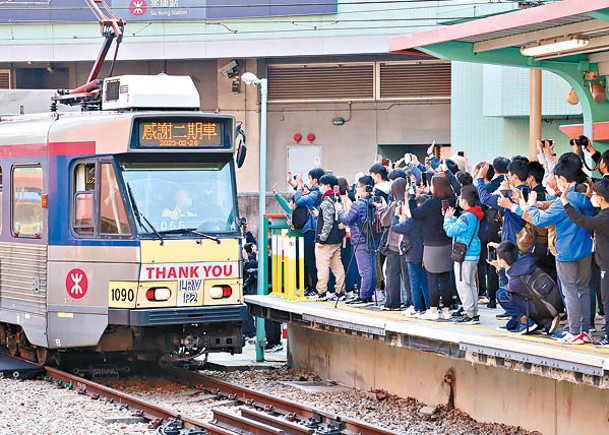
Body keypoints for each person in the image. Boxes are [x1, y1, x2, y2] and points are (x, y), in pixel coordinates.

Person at [518, 157, 595, 344]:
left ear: (562, 179)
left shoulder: (565, 201)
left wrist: (530, 206)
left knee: (570, 291)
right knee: (583, 290)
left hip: (567, 252)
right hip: (585, 249)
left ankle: (574, 331)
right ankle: (584, 331)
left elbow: (540, 221)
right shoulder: (585, 194)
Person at [562, 178, 609, 346]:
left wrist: (565, 202)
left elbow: (583, 221)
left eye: (595, 194)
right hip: (603, 263)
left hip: (606, 266)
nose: (592, 196)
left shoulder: (603, 217)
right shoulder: (602, 213)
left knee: (606, 300)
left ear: (602, 198)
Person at [409, 173, 457, 320]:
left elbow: (415, 214)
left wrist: (411, 197)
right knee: (445, 279)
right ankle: (447, 310)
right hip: (447, 244)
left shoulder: (430, 204)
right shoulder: (452, 201)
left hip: (431, 246)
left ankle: (434, 310)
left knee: (432, 279)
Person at [490, 242, 563, 335]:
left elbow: (506, 289)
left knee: (501, 294)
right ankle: (545, 322)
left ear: (503, 261)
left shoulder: (516, 279)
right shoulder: (526, 262)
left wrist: (499, 269)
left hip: (546, 308)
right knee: (510, 325)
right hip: (555, 303)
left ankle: (526, 322)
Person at [443, 185, 484, 324]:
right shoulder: (475, 214)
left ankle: (469, 314)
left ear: (465, 201)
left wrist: (447, 219)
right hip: (473, 253)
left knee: (463, 284)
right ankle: (473, 312)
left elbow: (450, 231)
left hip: (464, 255)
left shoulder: (466, 216)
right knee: (471, 284)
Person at [337, 175, 377, 305]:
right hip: (372, 239)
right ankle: (369, 294)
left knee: (364, 270)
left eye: (359, 186)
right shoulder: (374, 202)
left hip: (360, 239)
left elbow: (347, 219)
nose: (357, 189)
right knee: (372, 269)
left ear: (364, 188)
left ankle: (363, 296)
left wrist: (339, 211)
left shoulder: (358, 205)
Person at [393, 195, 430, 317]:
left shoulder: (412, 221)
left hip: (413, 255)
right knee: (425, 282)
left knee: (414, 282)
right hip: (426, 253)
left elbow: (396, 228)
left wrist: (397, 216)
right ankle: (430, 307)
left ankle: (417, 307)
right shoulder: (428, 219)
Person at [311, 174, 346, 301]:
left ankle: (321, 292)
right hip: (337, 239)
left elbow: (327, 223)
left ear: (327, 185)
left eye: (321, 184)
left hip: (325, 242)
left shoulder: (326, 202)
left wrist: (321, 239)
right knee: (337, 266)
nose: (320, 187)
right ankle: (340, 291)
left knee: (322, 267)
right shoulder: (338, 199)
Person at [292, 168, 324, 293]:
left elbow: (299, 200)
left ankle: (315, 287)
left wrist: (300, 188)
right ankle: (316, 286)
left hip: (311, 229)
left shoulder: (315, 194)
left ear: (315, 180)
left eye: (310, 178)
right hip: (317, 229)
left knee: (311, 259)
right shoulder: (318, 192)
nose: (309, 181)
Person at [379, 178, 407, 310]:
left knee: (391, 274)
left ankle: (392, 302)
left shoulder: (396, 204)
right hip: (407, 244)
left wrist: (382, 209)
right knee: (406, 276)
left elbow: (385, 221)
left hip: (394, 244)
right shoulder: (409, 202)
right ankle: (409, 302)